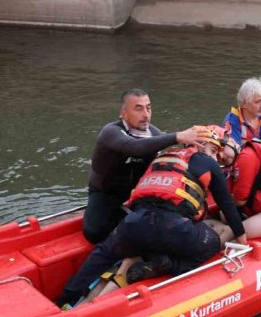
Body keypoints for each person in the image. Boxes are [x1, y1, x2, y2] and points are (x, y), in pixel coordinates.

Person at [57, 126, 247, 308]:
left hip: (134, 224)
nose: (214, 157)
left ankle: (67, 298)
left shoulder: (163, 157)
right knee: (212, 242)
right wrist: (243, 241)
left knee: (103, 253)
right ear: (200, 144)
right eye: (213, 151)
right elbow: (227, 206)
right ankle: (168, 264)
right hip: (174, 228)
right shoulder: (208, 163)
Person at [83, 88, 204, 244]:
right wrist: (177, 136)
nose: (146, 115)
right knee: (93, 232)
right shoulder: (111, 132)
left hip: (139, 192)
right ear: (123, 113)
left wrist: (195, 148)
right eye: (138, 108)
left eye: (148, 108)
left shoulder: (154, 134)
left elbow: (170, 160)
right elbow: (134, 147)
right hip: (105, 193)